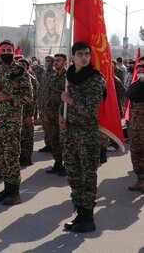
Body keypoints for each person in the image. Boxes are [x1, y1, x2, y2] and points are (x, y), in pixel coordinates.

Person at [60, 41, 106, 233]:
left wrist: (69, 100)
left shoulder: (95, 79)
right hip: (70, 133)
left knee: (87, 176)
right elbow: (62, 102)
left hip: (86, 135)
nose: (84, 57)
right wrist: (61, 115)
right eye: (80, 54)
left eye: (87, 54)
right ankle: (80, 214)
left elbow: (89, 109)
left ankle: (88, 219)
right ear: (73, 57)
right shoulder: (69, 76)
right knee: (73, 174)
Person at [0, 40, 33, 206]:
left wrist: (7, 97)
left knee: (11, 156)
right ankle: (6, 188)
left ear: (14, 52)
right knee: (0, 156)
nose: (6, 52)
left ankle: (14, 192)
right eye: (3, 50)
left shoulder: (20, 71)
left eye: (9, 49)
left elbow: (28, 97)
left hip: (11, 121)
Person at [45, 53, 68, 176]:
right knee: (54, 139)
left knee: (64, 140)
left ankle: (67, 165)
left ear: (65, 62)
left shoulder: (68, 77)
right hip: (52, 113)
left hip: (63, 114)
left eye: (59, 60)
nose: (56, 62)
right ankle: (58, 163)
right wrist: (47, 112)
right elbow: (50, 95)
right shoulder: (53, 76)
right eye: (55, 60)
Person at [17, 58, 38, 167]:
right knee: (21, 136)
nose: (21, 67)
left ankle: (27, 157)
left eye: (23, 65)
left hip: (27, 111)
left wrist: (31, 114)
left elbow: (33, 98)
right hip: (19, 112)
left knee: (28, 136)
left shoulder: (31, 78)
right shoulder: (17, 78)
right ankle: (22, 156)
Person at [127, 64, 144, 191]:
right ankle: (141, 180)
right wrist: (141, 81)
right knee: (136, 153)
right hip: (137, 128)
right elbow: (130, 93)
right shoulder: (137, 85)